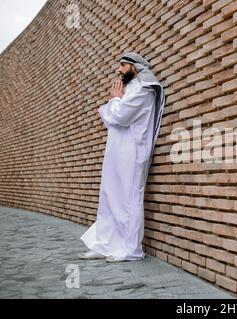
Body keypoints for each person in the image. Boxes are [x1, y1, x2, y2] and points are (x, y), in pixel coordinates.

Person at [78, 52, 165, 263]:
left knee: (128, 199)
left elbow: (119, 116)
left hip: (132, 152)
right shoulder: (132, 88)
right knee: (110, 196)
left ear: (135, 67)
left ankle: (129, 250)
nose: (119, 70)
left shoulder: (145, 89)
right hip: (116, 150)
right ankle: (105, 245)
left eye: (123, 66)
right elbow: (113, 120)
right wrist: (116, 101)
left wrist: (115, 99)